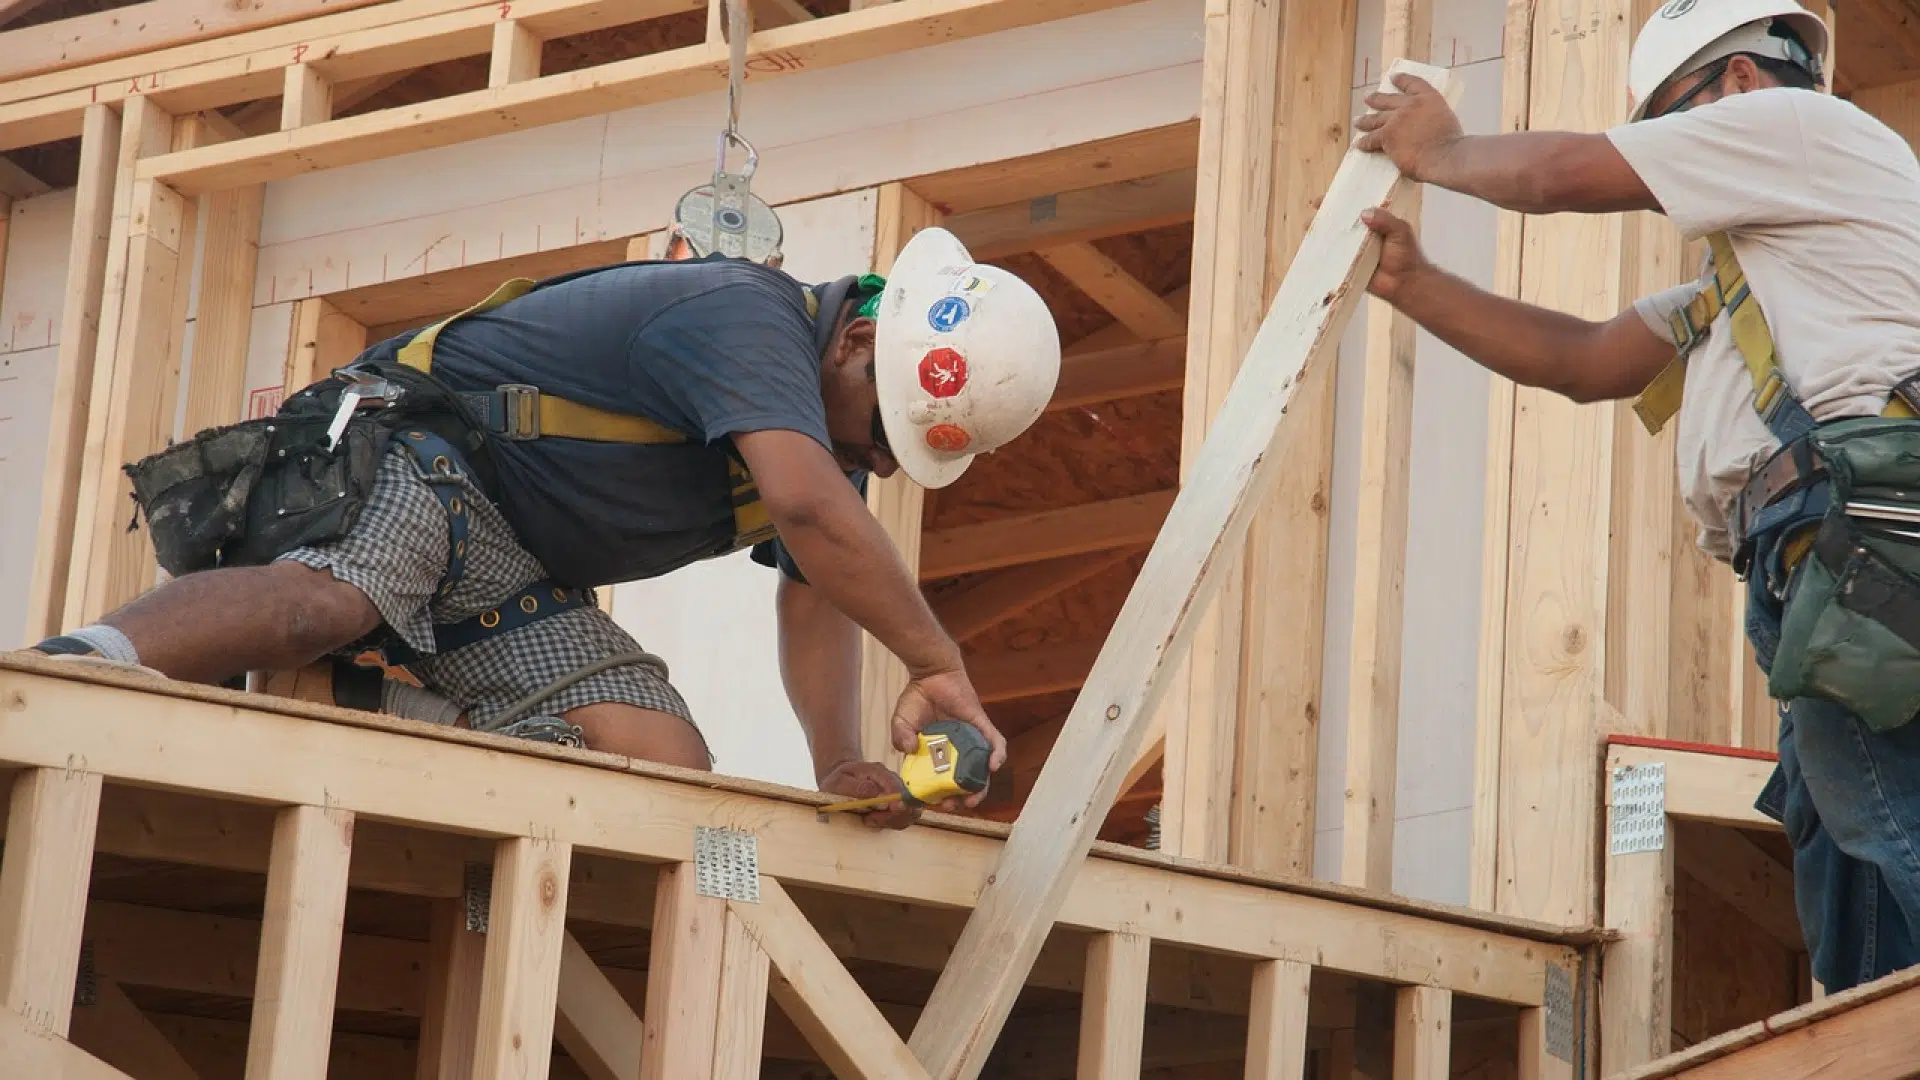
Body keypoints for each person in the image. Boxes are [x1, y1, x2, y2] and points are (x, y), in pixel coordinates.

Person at [25, 226, 1061, 830]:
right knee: (327, 599)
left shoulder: (826, 443)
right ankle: (63, 676)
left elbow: (816, 583)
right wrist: (936, 658)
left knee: (658, 755)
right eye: (885, 434)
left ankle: (357, 700)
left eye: (898, 459)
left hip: (503, 559)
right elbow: (805, 509)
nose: (878, 464)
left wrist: (836, 761)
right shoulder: (748, 319)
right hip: (416, 452)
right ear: (860, 340)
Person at [1352, 0, 1920, 991]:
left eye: (1667, 130)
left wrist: (1442, 149)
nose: (1659, 159)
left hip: (1860, 523)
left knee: (1884, 812)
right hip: (1820, 551)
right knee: (1847, 853)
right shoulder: (1755, 277)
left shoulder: (1801, 125)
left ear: (1741, 82)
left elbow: (1562, 174)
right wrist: (1418, 285)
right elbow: (1582, 358)